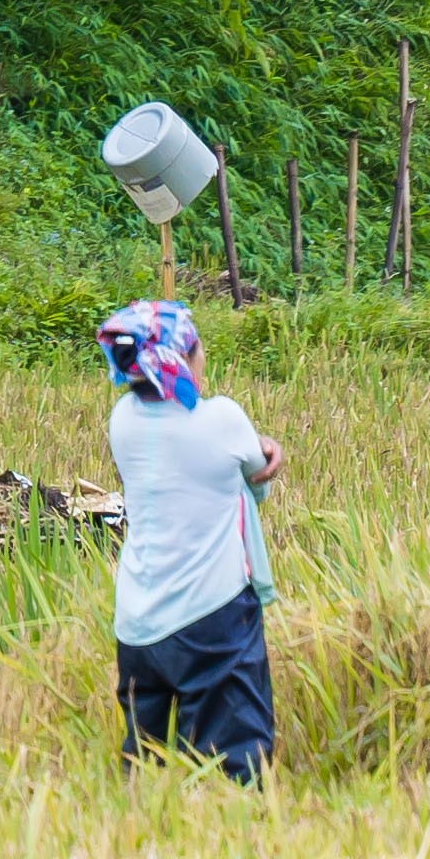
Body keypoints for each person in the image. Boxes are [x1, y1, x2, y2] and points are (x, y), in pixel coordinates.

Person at [101, 298, 280, 777]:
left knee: (147, 765)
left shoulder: (122, 420)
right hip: (212, 621)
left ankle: (136, 838)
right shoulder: (223, 418)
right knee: (232, 765)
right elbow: (256, 479)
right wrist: (267, 450)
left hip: (138, 623)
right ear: (184, 358)